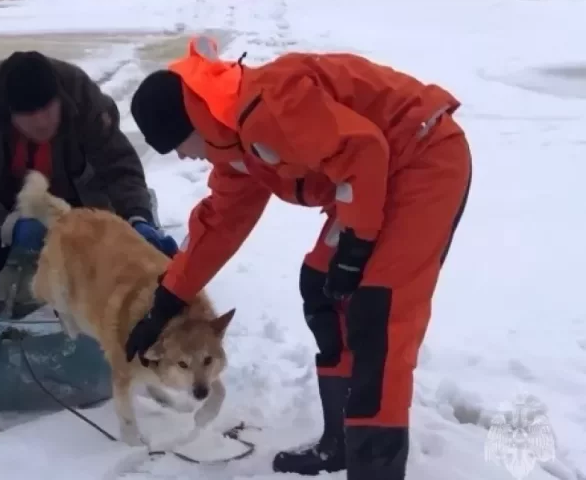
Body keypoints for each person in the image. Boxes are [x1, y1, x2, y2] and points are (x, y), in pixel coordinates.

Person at [124, 35, 472, 480]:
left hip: (423, 156)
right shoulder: (235, 144)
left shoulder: (270, 105)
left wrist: (358, 246)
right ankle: (341, 444)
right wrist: (166, 302)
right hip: (373, 180)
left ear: (191, 121)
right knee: (321, 286)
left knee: (377, 314)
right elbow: (218, 226)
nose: (180, 156)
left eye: (176, 143)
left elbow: (365, 150)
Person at [0, 50, 178, 315]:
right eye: (30, 116)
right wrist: (8, 226)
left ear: (60, 99)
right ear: (9, 114)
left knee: (99, 266)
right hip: (2, 200)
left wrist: (137, 218)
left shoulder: (82, 95)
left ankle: (92, 324)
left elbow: (118, 167)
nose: (42, 121)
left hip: (73, 196)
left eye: (47, 109)